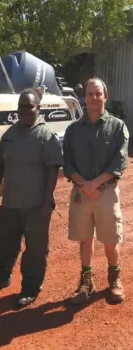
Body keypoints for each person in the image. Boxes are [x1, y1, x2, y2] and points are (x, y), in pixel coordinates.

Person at [0, 88, 63, 307]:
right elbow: (1, 165)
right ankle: (0, 278)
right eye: (21, 106)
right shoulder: (9, 134)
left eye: (29, 106)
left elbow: (53, 170)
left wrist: (47, 202)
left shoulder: (45, 135)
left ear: (38, 108)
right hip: (10, 204)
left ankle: (31, 287)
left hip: (36, 206)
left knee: (35, 249)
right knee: (5, 244)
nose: (24, 110)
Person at [63, 78, 129, 305]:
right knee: (84, 239)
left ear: (105, 96)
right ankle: (86, 282)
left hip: (106, 192)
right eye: (90, 94)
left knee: (110, 239)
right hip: (82, 192)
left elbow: (120, 161)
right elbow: (68, 164)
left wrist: (96, 183)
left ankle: (114, 278)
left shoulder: (117, 126)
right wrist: (84, 184)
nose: (94, 98)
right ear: (84, 98)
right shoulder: (72, 131)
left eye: (98, 93)